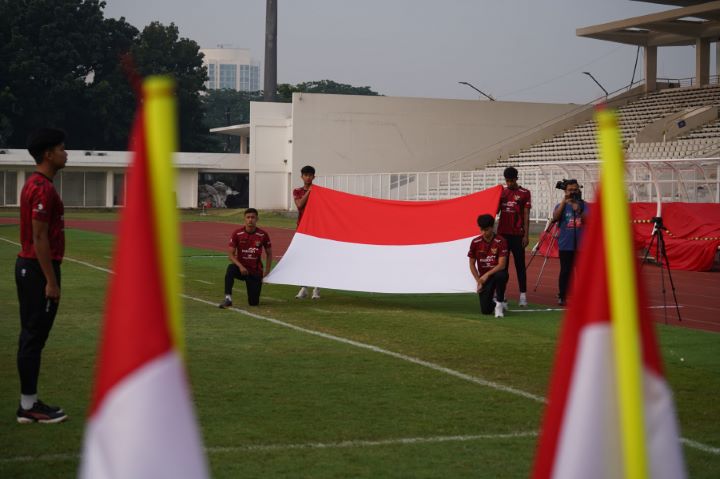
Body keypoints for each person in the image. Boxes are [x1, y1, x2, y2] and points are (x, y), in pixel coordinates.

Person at [15, 128, 68, 423]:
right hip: (37, 268)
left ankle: (29, 402)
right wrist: (50, 279)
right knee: (33, 337)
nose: (66, 152)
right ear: (48, 154)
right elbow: (39, 236)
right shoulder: (42, 188)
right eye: (61, 148)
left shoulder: (37, 183)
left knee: (31, 337)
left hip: (32, 266)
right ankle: (28, 406)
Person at [218, 208, 273, 308]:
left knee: (253, 303)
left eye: (253, 217)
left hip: (255, 272)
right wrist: (240, 266)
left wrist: (267, 272)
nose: (250, 220)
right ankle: (228, 298)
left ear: (257, 219)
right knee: (230, 269)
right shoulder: (237, 233)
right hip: (242, 270)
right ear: (244, 219)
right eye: (248, 217)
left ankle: (253, 293)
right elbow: (230, 254)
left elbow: (269, 254)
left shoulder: (263, 234)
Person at [497, 166, 531, 307]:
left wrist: (526, 235)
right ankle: (502, 295)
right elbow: (496, 210)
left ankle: (523, 295)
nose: (509, 183)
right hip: (503, 235)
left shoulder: (524, 193)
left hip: (517, 235)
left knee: (520, 266)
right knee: (503, 267)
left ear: (516, 179)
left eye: (511, 180)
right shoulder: (502, 193)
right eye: (507, 181)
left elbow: (526, 215)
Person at [552, 179, 588, 306]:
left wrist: (577, 209)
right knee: (565, 271)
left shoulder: (584, 205)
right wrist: (564, 201)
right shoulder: (560, 205)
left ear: (579, 190)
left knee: (582, 272)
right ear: (565, 191)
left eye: (575, 189)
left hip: (582, 245)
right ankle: (562, 295)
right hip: (566, 244)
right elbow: (555, 218)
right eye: (570, 190)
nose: (573, 192)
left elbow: (589, 220)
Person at [468, 214, 510, 318]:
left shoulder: (501, 241)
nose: (483, 232)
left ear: (492, 227)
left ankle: (500, 302)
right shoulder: (475, 242)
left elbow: (502, 265)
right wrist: (479, 281)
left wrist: (486, 275)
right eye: (481, 230)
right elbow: (472, 264)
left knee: (502, 275)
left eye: (486, 230)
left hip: (496, 274)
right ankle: (496, 303)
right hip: (484, 279)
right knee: (485, 310)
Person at [293, 165, 320, 300]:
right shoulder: (297, 191)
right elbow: (299, 205)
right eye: (306, 175)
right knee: (302, 259)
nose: (308, 177)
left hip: (316, 230)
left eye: (310, 175)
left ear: (314, 177)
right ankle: (303, 288)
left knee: (316, 259)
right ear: (302, 176)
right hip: (302, 229)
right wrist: (309, 192)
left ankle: (316, 288)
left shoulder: (320, 192)